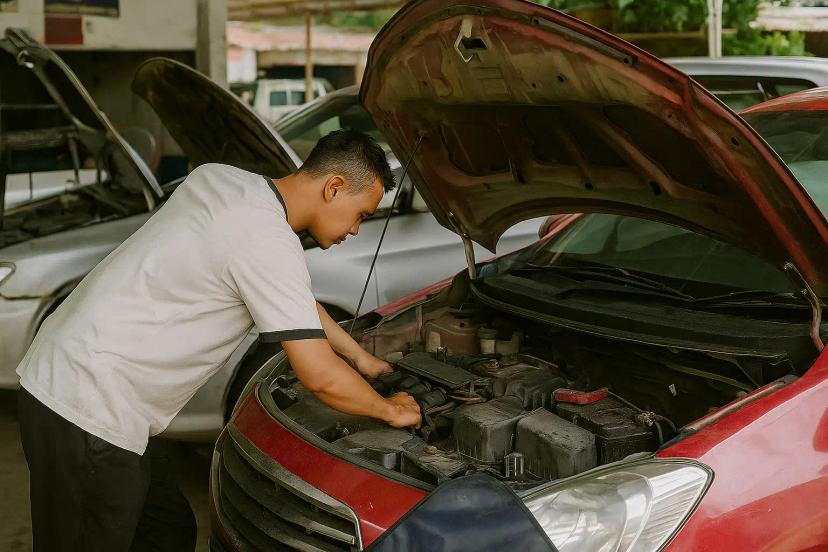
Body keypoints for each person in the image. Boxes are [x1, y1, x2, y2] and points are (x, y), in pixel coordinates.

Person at [16, 128, 422, 551]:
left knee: (167, 531)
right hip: (85, 406)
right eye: (361, 214)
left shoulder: (222, 180)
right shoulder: (267, 240)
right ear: (334, 187)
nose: (356, 230)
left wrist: (358, 354)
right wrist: (388, 410)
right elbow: (318, 376)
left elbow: (291, 298)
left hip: (77, 375)